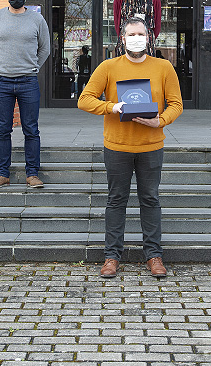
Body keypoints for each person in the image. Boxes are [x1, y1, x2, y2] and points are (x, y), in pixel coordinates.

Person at [78, 17, 183, 278]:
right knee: (116, 200)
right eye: (131, 34)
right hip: (117, 146)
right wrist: (111, 107)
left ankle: (154, 255)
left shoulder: (163, 67)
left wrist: (160, 121)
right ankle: (112, 257)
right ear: (122, 39)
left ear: (149, 38)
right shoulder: (108, 67)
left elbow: (176, 104)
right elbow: (85, 100)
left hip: (151, 146)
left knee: (150, 199)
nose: (137, 39)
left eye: (141, 34)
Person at [0, 0, 51, 188]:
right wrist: (3, 63)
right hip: (2, 82)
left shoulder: (37, 19)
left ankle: (32, 174)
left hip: (28, 82)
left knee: (31, 129)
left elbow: (45, 48)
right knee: (2, 130)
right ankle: (2, 174)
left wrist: (32, 66)